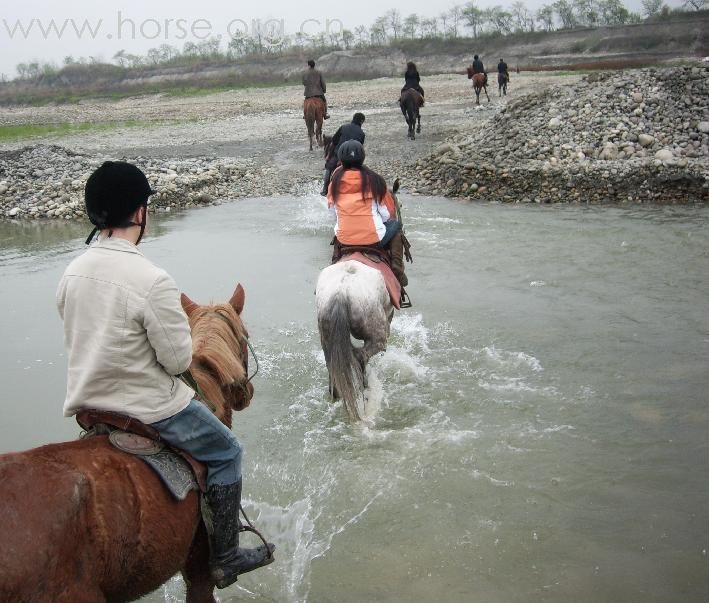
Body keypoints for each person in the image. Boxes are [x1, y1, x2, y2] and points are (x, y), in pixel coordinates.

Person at [56, 161, 275, 590]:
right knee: (227, 451)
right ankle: (225, 557)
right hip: (149, 409)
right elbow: (177, 361)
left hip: (89, 407)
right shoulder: (151, 278)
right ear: (139, 213)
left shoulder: (71, 274)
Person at [326, 140, 408, 287]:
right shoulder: (375, 181)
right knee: (395, 225)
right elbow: (386, 215)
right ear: (362, 158)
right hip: (373, 239)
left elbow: (334, 212)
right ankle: (397, 266)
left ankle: (334, 261)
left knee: (338, 231)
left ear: (341, 159)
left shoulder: (334, 183)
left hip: (345, 239)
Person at [320, 112, 366, 196]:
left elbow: (334, 141)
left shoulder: (343, 127)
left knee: (329, 167)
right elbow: (360, 148)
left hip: (339, 155)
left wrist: (330, 154)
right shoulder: (362, 133)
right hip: (353, 158)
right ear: (361, 121)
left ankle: (325, 190)